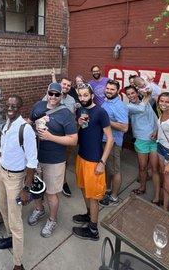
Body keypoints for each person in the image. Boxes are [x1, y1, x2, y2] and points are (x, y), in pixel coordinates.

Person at [0, 95, 38, 270]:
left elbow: (32, 162)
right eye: (8, 105)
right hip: (2, 173)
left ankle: (18, 263)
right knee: (3, 209)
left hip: (15, 179)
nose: (10, 108)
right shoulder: (7, 123)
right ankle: (10, 238)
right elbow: (3, 151)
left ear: (20, 108)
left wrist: (26, 188)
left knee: (15, 220)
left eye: (14, 106)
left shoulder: (25, 129)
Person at [28, 83, 78, 238]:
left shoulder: (66, 114)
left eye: (57, 94)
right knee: (35, 188)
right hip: (35, 157)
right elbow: (29, 121)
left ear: (61, 96)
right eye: (51, 93)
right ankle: (39, 209)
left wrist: (51, 137)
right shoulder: (38, 105)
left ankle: (52, 219)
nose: (54, 97)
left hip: (54, 160)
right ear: (47, 92)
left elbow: (73, 140)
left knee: (51, 193)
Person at [72, 84, 114, 241]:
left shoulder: (101, 112)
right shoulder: (80, 110)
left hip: (94, 160)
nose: (82, 98)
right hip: (81, 156)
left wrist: (102, 162)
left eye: (85, 95)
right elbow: (78, 131)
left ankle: (93, 230)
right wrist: (79, 124)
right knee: (83, 190)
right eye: (80, 95)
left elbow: (110, 138)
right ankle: (89, 215)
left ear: (91, 95)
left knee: (94, 197)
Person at [125, 85, 160, 204]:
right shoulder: (128, 106)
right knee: (143, 167)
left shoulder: (146, 101)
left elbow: (156, 92)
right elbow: (140, 108)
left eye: (132, 93)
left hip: (154, 139)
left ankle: (157, 196)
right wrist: (147, 96)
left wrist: (146, 87)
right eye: (128, 94)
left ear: (137, 93)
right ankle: (142, 187)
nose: (131, 96)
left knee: (155, 169)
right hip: (141, 140)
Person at [47, 72, 77, 197]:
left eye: (68, 85)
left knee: (63, 160)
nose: (66, 87)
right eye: (64, 84)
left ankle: (63, 183)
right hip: (49, 135)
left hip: (65, 136)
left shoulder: (71, 100)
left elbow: (71, 117)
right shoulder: (50, 96)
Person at [100, 80, 128, 207]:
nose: (109, 91)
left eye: (112, 89)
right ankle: (107, 191)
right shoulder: (107, 101)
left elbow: (124, 127)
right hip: (104, 141)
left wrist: (106, 121)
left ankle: (114, 197)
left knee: (115, 171)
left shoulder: (120, 106)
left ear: (118, 91)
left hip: (113, 143)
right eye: (108, 88)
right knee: (108, 168)